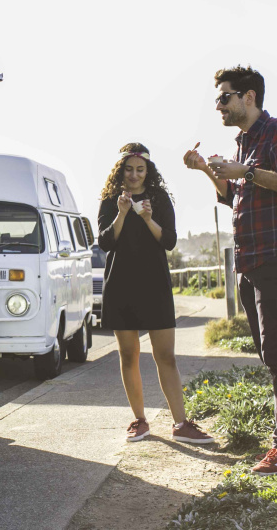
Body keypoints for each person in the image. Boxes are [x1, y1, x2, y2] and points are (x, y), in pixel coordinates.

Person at [183, 65, 277, 476]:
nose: (218, 105)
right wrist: (208, 169)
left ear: (249, 97)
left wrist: (247, 172)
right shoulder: (243, 144)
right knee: (274, 355)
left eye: (224, 96)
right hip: (253, 262)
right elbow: (235, 196)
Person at [99, 143, 214, 444]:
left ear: (147, 171)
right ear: (121, 170)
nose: (134, 175)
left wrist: (149, 219)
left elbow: (171, 241)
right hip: (121, 285)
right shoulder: (111, 200)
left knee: (166, 356)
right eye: (129, 169)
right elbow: (106, 242)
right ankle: (139, 421)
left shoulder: (159, 198)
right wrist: (122, 214)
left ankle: (181, 423)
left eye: (140, 169)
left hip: (155, 286)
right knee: (129, 355)